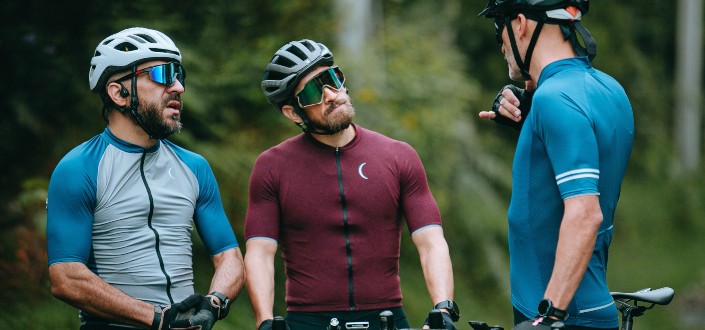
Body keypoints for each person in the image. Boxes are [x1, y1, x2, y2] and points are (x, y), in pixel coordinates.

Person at [244, 39, 459, 330]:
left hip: (386, 318)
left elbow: (431, 242)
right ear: (293, 113)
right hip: (307, 321)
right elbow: (259, 253)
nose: (332, 94)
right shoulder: (272, 166)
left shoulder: (398, 155)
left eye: (332, 78)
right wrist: (265, 321)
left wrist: (443, 308)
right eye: (312, 92)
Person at [46, 27, 244, 330]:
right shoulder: (79, 168)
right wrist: (156, 318)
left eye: (179, 74)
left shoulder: (194, 167)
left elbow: (229, 256)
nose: (178, 87)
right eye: (163, 74)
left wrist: (214, 303)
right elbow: (66, 277)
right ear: (119, 92)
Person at [477, 1, 634, 329]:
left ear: (520, 24)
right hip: (589, 304)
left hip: (558, 312)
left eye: (499, 30)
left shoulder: (555, 100)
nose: (501, 44)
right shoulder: (610, 90)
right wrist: (530, 118)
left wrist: (551, 315)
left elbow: (586, 215)